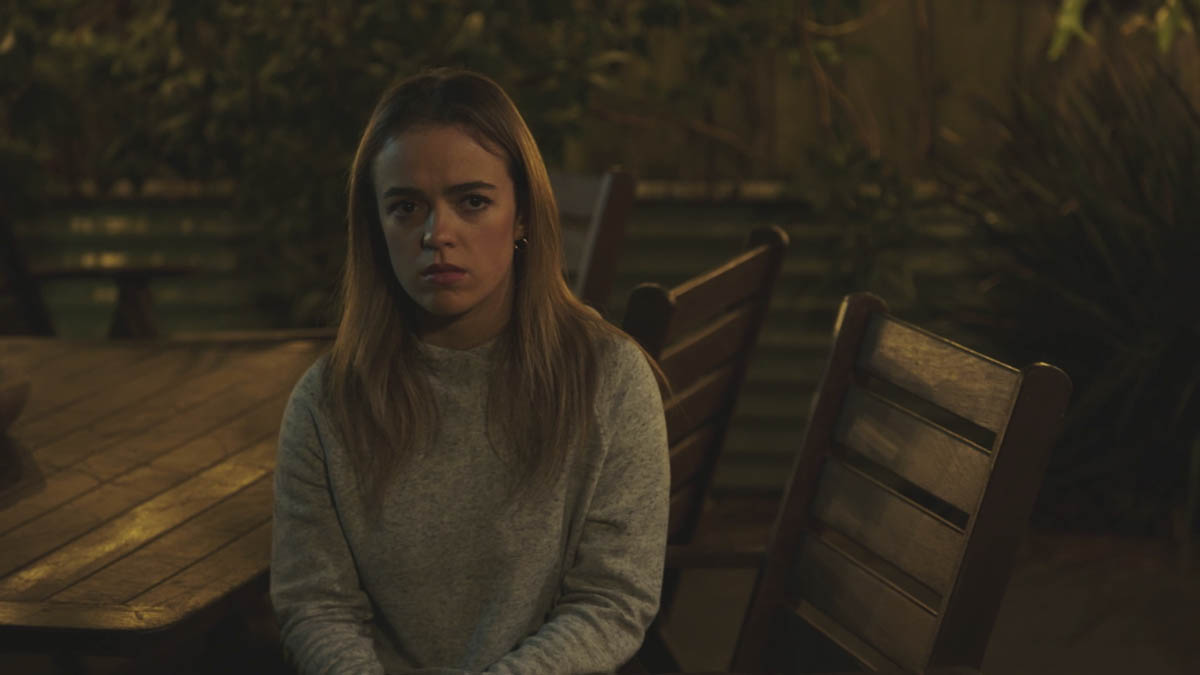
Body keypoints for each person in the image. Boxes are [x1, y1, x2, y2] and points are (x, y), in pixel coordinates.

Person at [269, 67, 671, 675]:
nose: (438, 234)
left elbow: (612, 599)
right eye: (406, 207)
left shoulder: (608, 379)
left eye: (472, 201)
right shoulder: (328, 402)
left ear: (522, 215)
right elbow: (315, 605)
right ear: (376, 228)